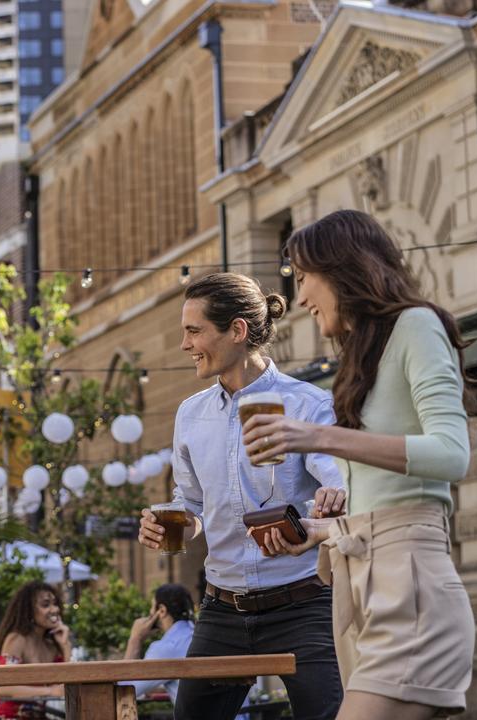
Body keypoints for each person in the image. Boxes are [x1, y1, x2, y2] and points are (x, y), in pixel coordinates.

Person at [242, 209, 475, 719]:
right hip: (368, 591)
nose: (299, 296)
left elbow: (453, 454)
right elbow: (384, 503)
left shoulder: (418, 325)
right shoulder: (361, 357)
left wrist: (321, 436)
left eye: (304, 278)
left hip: (411, 593)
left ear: (343, 269)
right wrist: (320, 532)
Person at [137, 272, 346, 720]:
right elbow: (191, 505)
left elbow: (339, 483)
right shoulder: (190, 415)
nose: (185, 344)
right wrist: (170, 523)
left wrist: (333, 497)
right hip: (222, 609)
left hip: (304, 605)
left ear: (237, 330)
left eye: (194, 331)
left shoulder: (308, 404)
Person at [0, 581, 71, 720]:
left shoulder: (51, 646)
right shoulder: (16, 640)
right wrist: (50, 691)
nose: (54, 609)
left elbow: (69, 682)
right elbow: (4, 689)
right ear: (29, 610)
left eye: (55, 604)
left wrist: (65, 645)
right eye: (46, 605)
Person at [120, 584, 196, 704]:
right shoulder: (196, 635)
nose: (150, 612)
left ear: (161, 610)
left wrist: (135, 639)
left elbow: (123, 689)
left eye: (151, 607)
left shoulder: (166, 647)